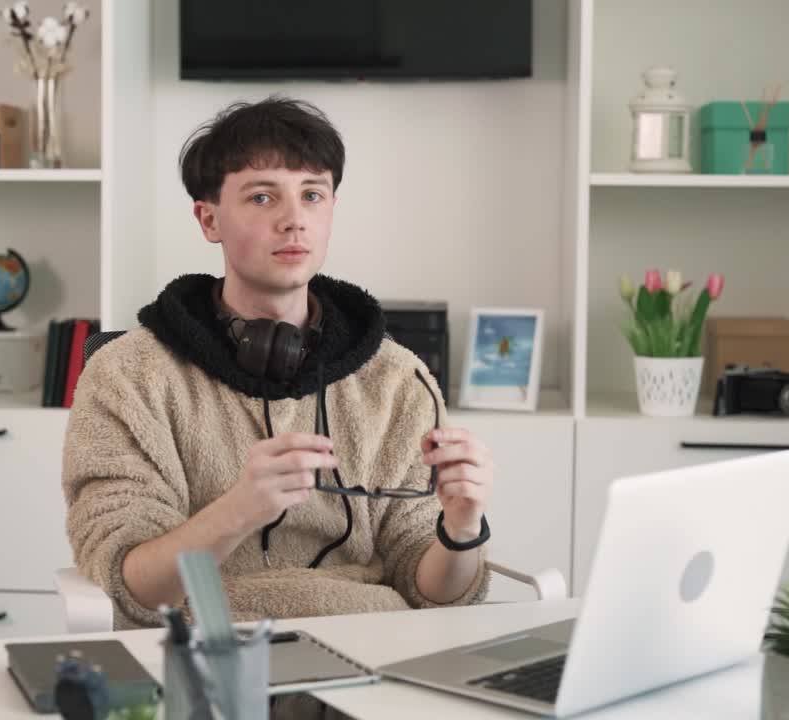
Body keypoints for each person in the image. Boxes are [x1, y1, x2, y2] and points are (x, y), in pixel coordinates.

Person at [63, 96, 497, 630]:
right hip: (208, 645)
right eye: (263, 197)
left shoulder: (397, 379)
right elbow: (134, 589)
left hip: (372, 643)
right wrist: (240, 509)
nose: (293, 220)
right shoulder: (129, 374)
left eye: (312, 195)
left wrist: (461, 523)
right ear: (208, 219)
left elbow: (435, 595)